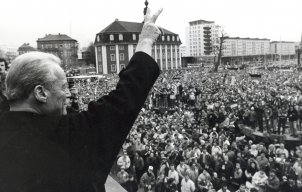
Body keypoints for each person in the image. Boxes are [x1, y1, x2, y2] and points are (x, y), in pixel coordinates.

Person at [0, 7, 163, 192]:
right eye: (63, 87)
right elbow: (126, 97)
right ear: (40, 93)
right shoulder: (69, 135)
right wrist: (146, 40)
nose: (69, 94)